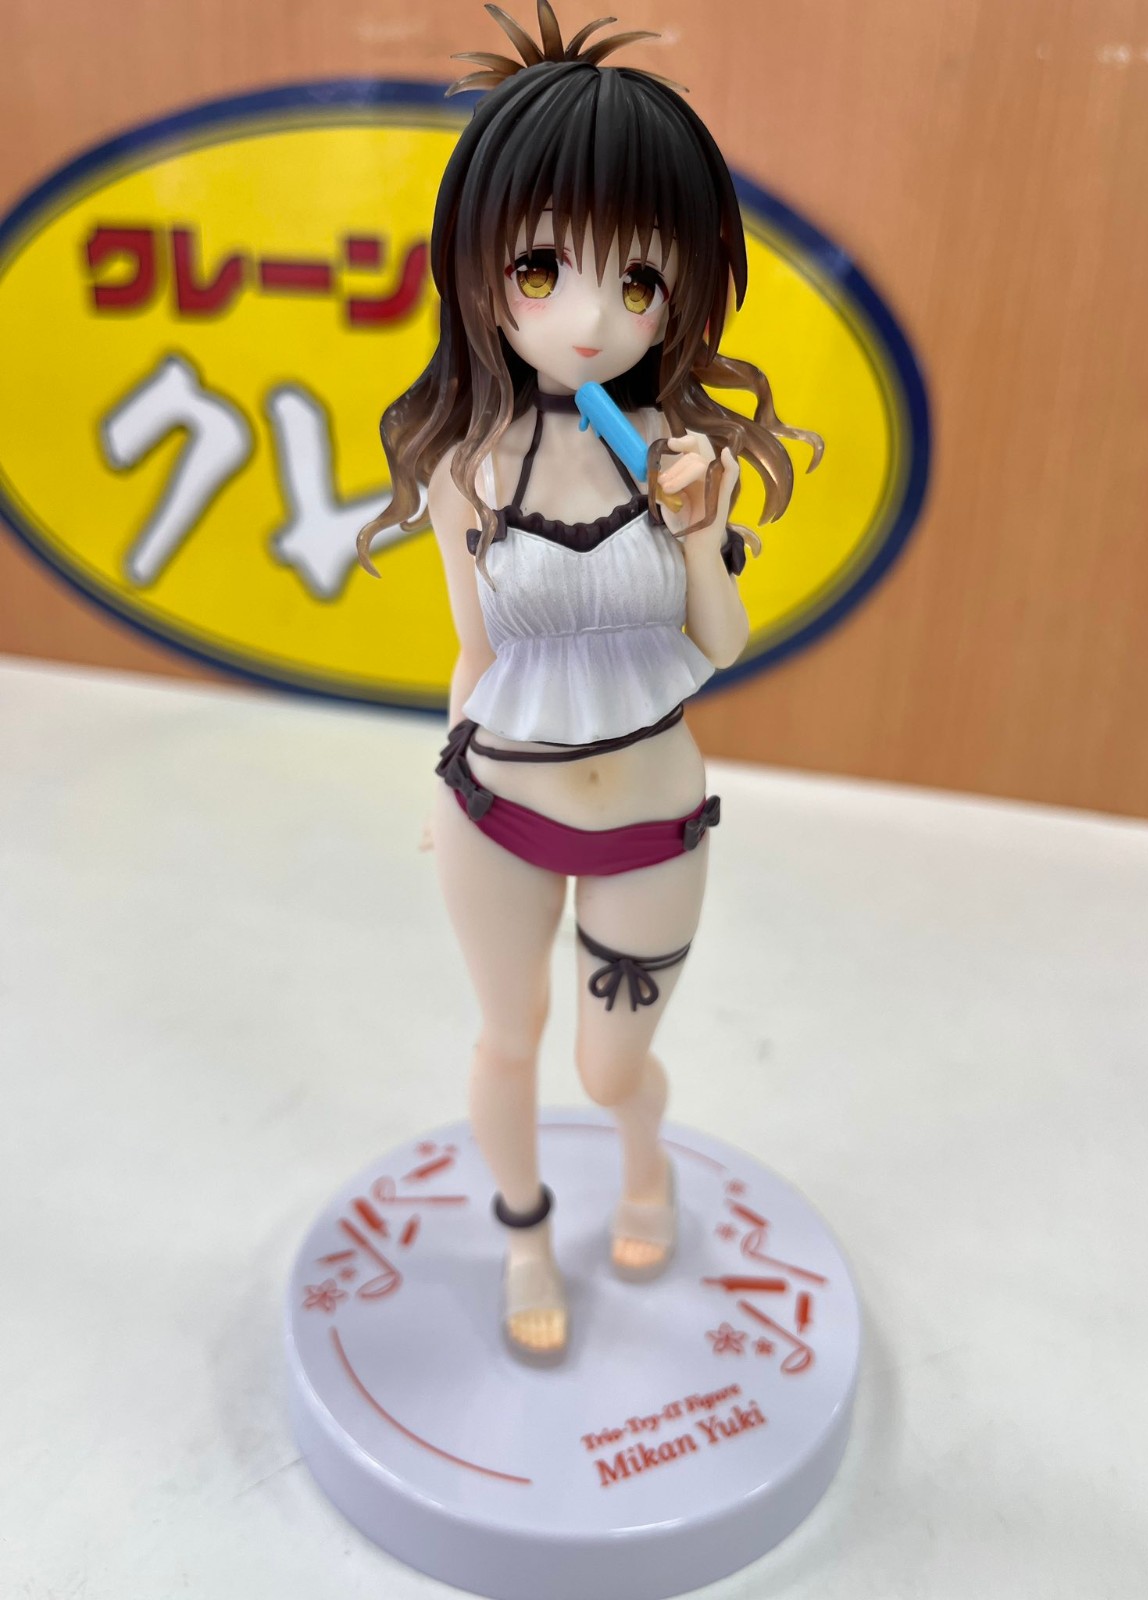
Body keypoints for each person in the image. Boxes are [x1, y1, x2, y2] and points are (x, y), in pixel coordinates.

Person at [358, 0, 820, 1366]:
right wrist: (447, 772)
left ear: (681, 289)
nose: (585, 318)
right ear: (481, 269)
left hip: (654, 811)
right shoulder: (466, 467)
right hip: (498, 807)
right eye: (543, 268)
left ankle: (644, 1161)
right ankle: (522, 1236)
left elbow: (720, 645)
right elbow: (478, 652)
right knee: (506, 1041)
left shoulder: (679, 453)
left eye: (637, 281)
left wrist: (697, 529)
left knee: (610, 1066)